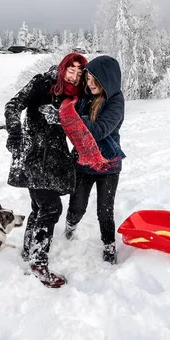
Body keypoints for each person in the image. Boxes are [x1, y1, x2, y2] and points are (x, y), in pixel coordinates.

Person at [4, 52, 87, 288]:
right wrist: (15, 131)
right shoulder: (42, 83)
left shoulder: (74, 97)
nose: (74, 77)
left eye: (79, 74)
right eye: (71, 71)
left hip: (56, 160)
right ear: (62, 68)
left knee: (39, 206)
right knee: (51, 208)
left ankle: (29, 250)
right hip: (34, 156)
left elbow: (77, 127)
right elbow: (13, 105)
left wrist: (61, 120)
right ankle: (38, 263)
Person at [63, 55, 125, 264]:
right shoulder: (85, 95)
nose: (89, 83)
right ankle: (69, 228)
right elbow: (64, 95)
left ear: (106, 79)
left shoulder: (116, 101)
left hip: (108, 164)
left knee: (104, 211)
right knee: (77, 206)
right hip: (83, 162)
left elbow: (99, 130)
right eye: (87, 78)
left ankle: (109, 245)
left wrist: (70, 119)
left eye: (93, 79)